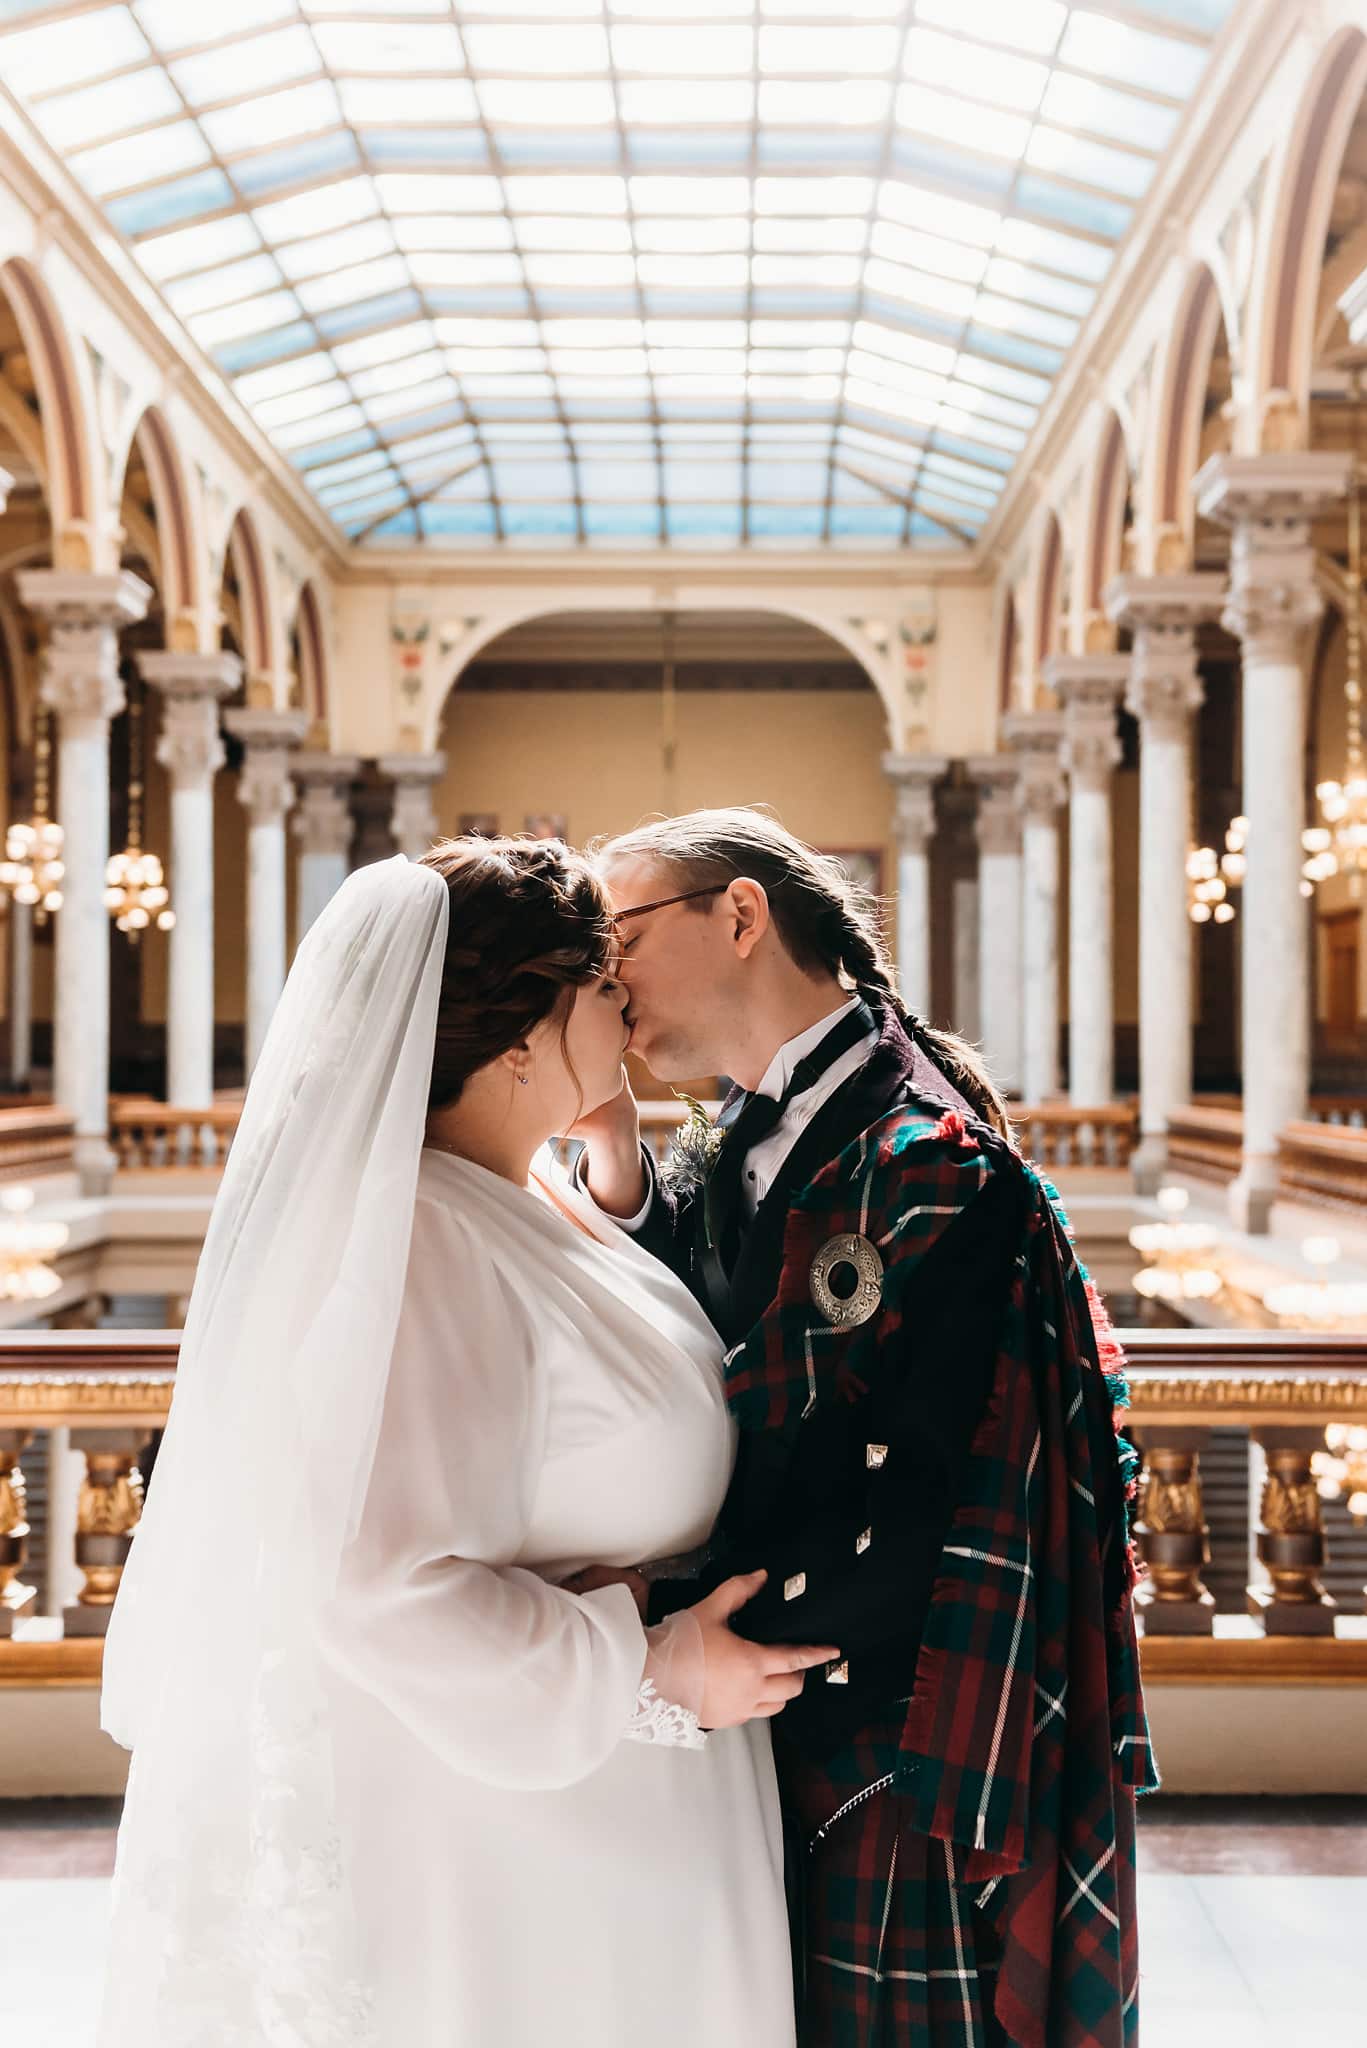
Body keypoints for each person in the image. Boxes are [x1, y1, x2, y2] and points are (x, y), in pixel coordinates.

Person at [97, 839, 834, 2048]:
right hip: (518, 1854)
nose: (627, 996)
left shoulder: (520, 1189)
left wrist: (603, 1139)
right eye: (600, 979)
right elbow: (380, 1586)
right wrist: (650, 1664)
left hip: (610, 1822)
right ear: (516, 1036)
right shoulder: (428, 1242)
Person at [573, 807, 1157, 2048]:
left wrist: (661, 1646)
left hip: (888, 1755)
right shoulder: (738, 1129)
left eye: (612, 935)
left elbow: (942, 1505)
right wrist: (620, 1161)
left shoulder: (935, 1158)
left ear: (737, 916)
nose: (600, 979)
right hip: (747, 1718)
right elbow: (705, 1337)